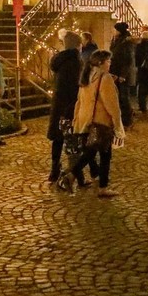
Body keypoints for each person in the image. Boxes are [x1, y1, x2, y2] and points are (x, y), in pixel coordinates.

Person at [58, 50, 124, 198]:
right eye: (108, 61)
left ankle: (78, 176)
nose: (110, 63)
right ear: (101, 63)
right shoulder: (104, 78)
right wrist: (117, 123)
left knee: (91, 153)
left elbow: (79, 101)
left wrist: (77, 120)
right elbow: (111, 104)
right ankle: (101, 186)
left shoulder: (87, 76)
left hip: (86, 121)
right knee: (104, 154)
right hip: (101, 122)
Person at [46, 31, 85, 183]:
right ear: (77, 46)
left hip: (58, 104)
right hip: (70, 105)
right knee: (73, 141)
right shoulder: (75, 61)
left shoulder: (60, 60)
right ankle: (77, 175)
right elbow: (75, 86)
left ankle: (54, 170)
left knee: (58, 139)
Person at [109, 22, 137, 128]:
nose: (113, 31)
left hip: (122, 75)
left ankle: (127, 120)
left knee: (124, 97)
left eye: (115, 30)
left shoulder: (126, 42)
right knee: (118, 97)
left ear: (119, 31)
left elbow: (127, 60)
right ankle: (120, 118)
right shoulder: (116, 41)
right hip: (115, 72)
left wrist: (123, 75)